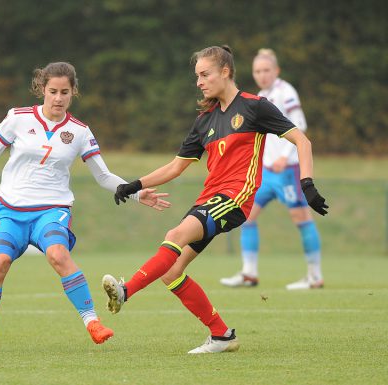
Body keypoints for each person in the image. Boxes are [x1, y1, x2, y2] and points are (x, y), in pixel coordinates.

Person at [101, 45, 328, 354]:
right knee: (171, 271)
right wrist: (134, 185)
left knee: (174, 235)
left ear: (225, 72)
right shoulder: (204, 120)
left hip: (236, 198)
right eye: (197, 76)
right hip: (209, 199)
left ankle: (126, 291)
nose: (199, 82)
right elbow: (176, 166)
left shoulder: (255, 107)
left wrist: (307, 184)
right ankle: (222, 335)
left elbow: (301, 140)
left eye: (205, 74)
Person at [0, 62, 170, 354]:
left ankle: (93, 323)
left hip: (52, 209)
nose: (58, 98)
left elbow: (102, 175)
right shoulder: (17, 119)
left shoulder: (80, 131)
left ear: (73, 92)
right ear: (42, 90)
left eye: (65, 92)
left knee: (57, 254)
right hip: (10, 209)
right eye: (53, 91)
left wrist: (137, 193)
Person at [220, 48, 324, 290]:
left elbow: (300, 124)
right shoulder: (261, 96)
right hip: (266, 173)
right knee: (246, 216)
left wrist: (286, 156)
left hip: (287, 171)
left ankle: (315, 276)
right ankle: (249, 273)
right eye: (257, 71)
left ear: (276, 71)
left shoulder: (285, 92)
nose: (262, 75)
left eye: (266, 70)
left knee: (301, 218)